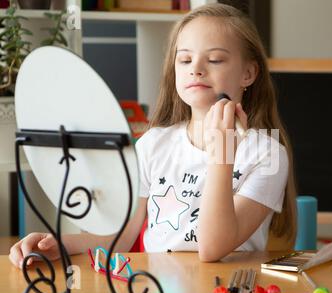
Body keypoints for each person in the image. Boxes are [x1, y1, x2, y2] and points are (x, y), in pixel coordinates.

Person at [9, 3, 297, 268]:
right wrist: (58, 244)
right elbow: (121, 237)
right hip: (155, 286)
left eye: (215, 59)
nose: (196, 69)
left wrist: (221, 155)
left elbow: (212, 249)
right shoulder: (153, 144)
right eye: (184, 60)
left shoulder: (268, 154)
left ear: (248, 73)